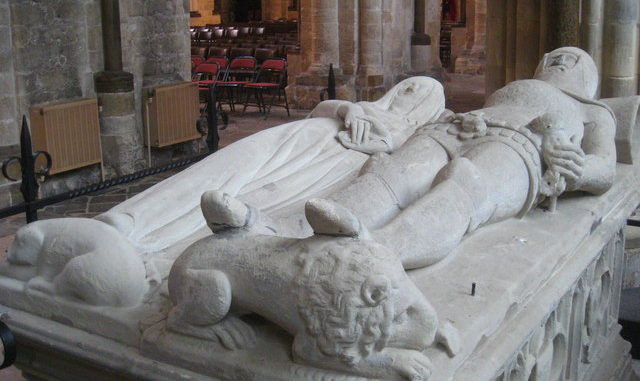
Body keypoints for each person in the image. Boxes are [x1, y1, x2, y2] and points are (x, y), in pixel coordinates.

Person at [216, 47, 616, 269]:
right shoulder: (514, 87)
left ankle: (373, 254)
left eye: (573, 59)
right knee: (392, 174)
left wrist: (578, 170)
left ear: (587, 79)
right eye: (556, 55)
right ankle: (282, 230)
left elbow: (605, 167)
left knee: (466, 182)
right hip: (460, 126)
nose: (561, 60)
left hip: (524, 148)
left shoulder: (592, 111)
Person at [96, 77, 446, 254]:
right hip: (299, 136)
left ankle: (159, 246)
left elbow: (409, 158)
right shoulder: (367, 105)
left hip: (326, 166)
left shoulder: (416, 135)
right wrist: (347, 109)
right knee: (220, 169)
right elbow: (324, 109)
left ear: (427, 106)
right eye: (407, 86)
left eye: (417, 91)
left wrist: (381, 142)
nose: (405, 91)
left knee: (249, 200)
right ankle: (131, 219)